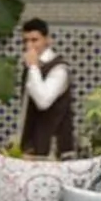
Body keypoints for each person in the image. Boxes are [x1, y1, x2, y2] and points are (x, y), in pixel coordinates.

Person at [17, 18, 74, 157]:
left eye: (34, 40)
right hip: (31, 146)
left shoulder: (59, 69)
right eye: (25, 41)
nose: (29, 46)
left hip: (52, 148)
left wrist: (34, 67)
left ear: (47, 40)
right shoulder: (31, 68)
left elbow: (43, 101)